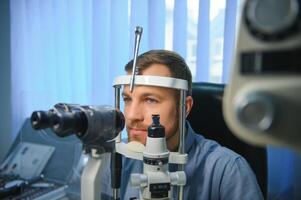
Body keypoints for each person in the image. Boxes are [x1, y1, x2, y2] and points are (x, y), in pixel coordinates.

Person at [100, 49, 263, 199]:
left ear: (185, 107)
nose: (131, 115)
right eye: (127, 99)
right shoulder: (116, 160)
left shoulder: (227, 171)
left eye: (150, 100)